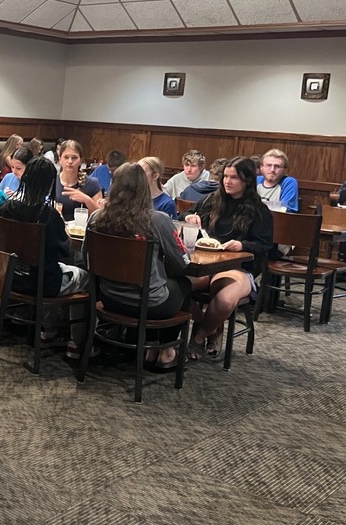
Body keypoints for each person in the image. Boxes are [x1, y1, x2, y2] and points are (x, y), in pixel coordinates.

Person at [88, 163, 191, 369]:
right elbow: (182, 263)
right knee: (183, 284)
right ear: (145, 189)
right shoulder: (157, 220)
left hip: (109, 298)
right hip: (149, 303)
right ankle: (165, 349)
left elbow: (88, 259)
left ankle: (147, 344)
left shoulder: (96, 218)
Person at [0, 157, 88, 358]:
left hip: (11, 278)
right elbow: (64, 252)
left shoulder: (7, 208)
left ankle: (51, 330)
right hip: (42, 283)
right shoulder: (49, 215)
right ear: (50, 184)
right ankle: (76, 342)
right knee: (85, 276)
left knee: (49, 270)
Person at [184, 157, 273, 360]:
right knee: (174, 286)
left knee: (224, 299)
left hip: (238, 266)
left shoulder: (259, 211)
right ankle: (211, 326)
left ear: (247, 181)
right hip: (206, 263)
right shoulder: (212, 200)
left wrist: (243, 245)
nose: (227, 182)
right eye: (225, 176)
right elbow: (187, 214)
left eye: (234, 178)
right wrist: (189, 217)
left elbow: (265, 245)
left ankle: (198, 337)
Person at [55, 139, 102, 220]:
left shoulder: (92, 183)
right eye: (66, 157)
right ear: (60, 159)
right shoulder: (53, 181)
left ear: (80, 160)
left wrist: (86, 200)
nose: (70, 161)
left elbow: (100, 217)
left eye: (74, 158)